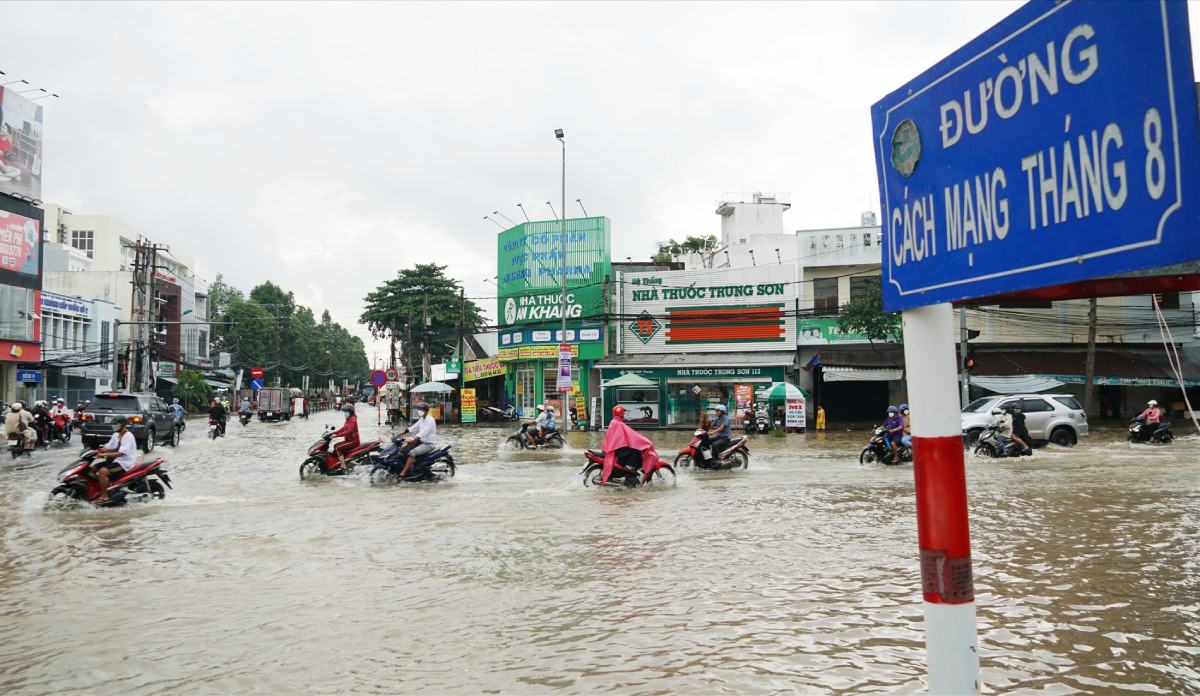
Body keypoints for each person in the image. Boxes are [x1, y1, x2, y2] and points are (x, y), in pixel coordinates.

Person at [601, 405, 661, 484]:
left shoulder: (614, 422)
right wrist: (644, 441)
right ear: (620, 414)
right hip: (616, 449)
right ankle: (629, 466)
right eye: (623, 413)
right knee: (636, 449)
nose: (625, 415)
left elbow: (628, 435)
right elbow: (632, 435)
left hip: (612, 448)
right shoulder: (619, 423)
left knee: (631, 448)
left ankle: (626, 468)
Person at [91, 415, 140, 503]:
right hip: (114, 461)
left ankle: (104, 496)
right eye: (113, 424)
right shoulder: (116, 434)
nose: (114, 426)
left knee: (102, 472)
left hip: (124, 463)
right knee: (92, 469)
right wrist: (97, 450)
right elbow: (109, 446)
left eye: (116, 424)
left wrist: (104, 454)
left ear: (123, 425)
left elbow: (120, 453)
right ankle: (103, 487)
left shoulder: (128, 436)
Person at [397, 403, 437, 479]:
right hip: (421, 441)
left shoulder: (430, 421)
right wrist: (403, 432)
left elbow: (422, 433)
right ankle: (409, 465)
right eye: (418, 410)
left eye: (420, 410)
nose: (418, 411)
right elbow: (413, 427)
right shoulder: (422, 420)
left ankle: (403, 473)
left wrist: (411, 439)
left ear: (425, 410)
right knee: (403, 448)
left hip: (428, 444)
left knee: (412, 452)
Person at [328, 403, 360, 472]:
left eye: (346, 411)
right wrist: (333, 433)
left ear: (350, 412)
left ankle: (343, 465)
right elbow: (343, 429)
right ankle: (340, 462)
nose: (344, 413)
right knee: (335, 445)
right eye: (344, 411)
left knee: (337, 448)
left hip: (353, 441)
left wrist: (337, 435)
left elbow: (347, 432)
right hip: (349, 440)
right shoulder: (348, 419)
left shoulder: (352, 420)